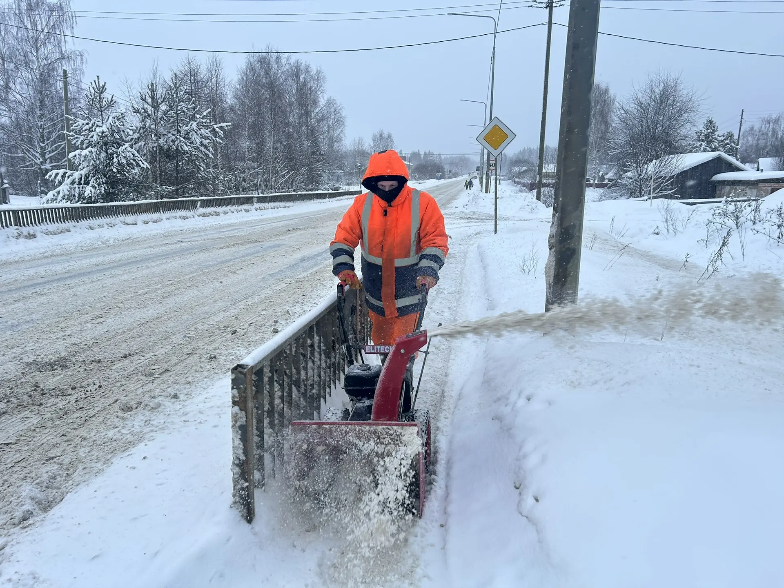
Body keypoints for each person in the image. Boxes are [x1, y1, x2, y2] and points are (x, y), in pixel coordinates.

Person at [330, 150, 448, 346]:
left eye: (392, 186)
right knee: (382, 344)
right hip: (375, 294)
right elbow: (343, 237)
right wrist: (344, 268)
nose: (386, 190)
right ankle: (387, 372)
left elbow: (435, 241)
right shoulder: (362, 204)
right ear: (372, 183)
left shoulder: (423, 203)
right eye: (381, 186)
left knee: (403, 351)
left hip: (410, 292)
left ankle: (403, 375)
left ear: (401, 182)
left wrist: (427, 271)